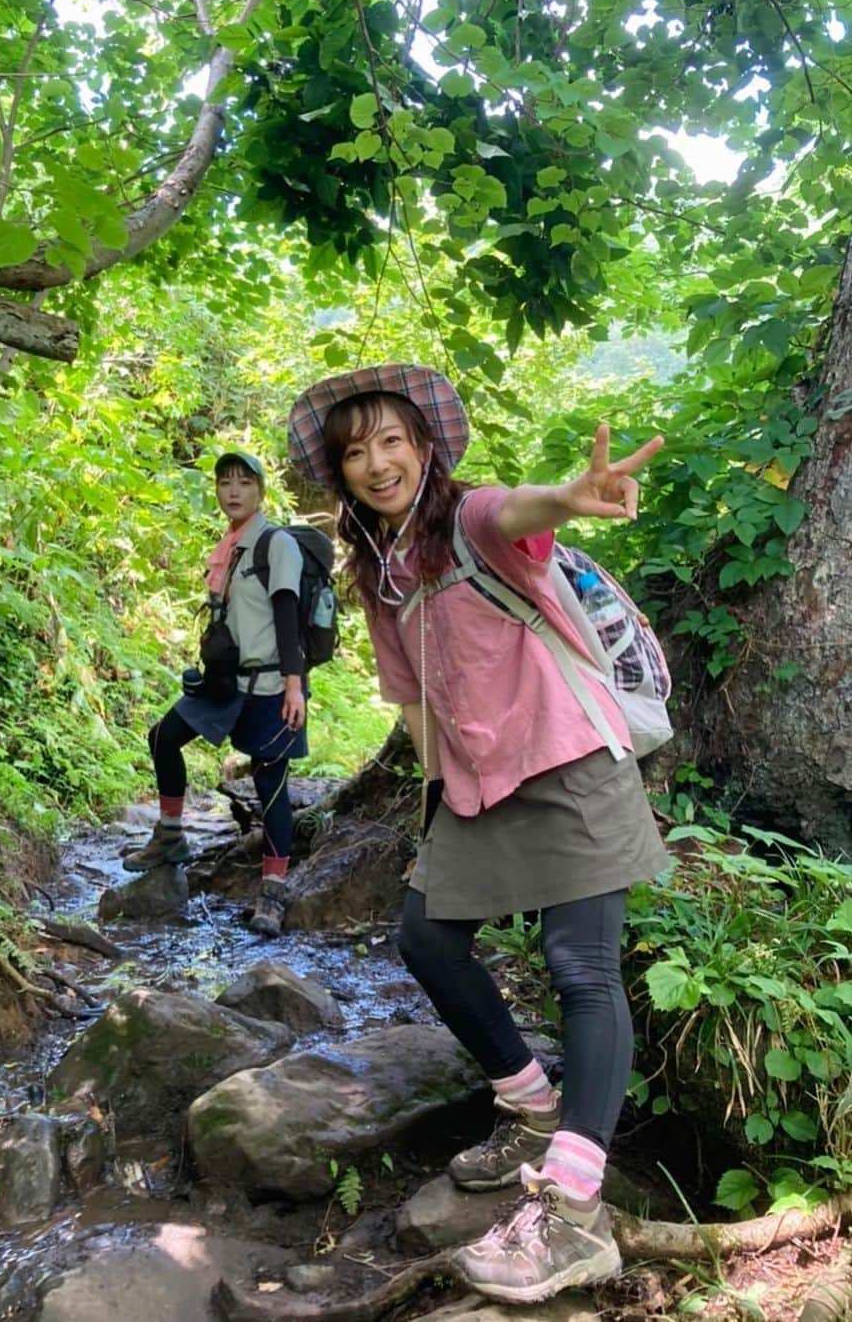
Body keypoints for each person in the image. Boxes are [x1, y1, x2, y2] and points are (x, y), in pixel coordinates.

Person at [287, 365, 669, 1304]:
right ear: (341, 474)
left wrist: (570, 499)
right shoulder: (379, 573)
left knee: (582, 967)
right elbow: (415, 698)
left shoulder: (471, 524)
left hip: (572, 761)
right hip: (479, 786)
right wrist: (435, 804)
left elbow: (516, 510)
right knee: (425, 936)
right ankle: (532, 1107)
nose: (377, 464)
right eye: (354, 451)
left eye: (390, 441)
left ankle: (574, 1217)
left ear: (422, 446)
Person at [122, 451, 308, 937]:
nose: (232, 491)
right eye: (225, 482)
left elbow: (287, 614)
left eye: (244, 483)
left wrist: (294, 684)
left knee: (270, 787)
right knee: (163, 736)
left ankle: (273, 892)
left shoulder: (277, 544)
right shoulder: (229, 548)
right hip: (224, 682)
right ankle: (169, 837)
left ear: (260, 492)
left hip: (271, 684)